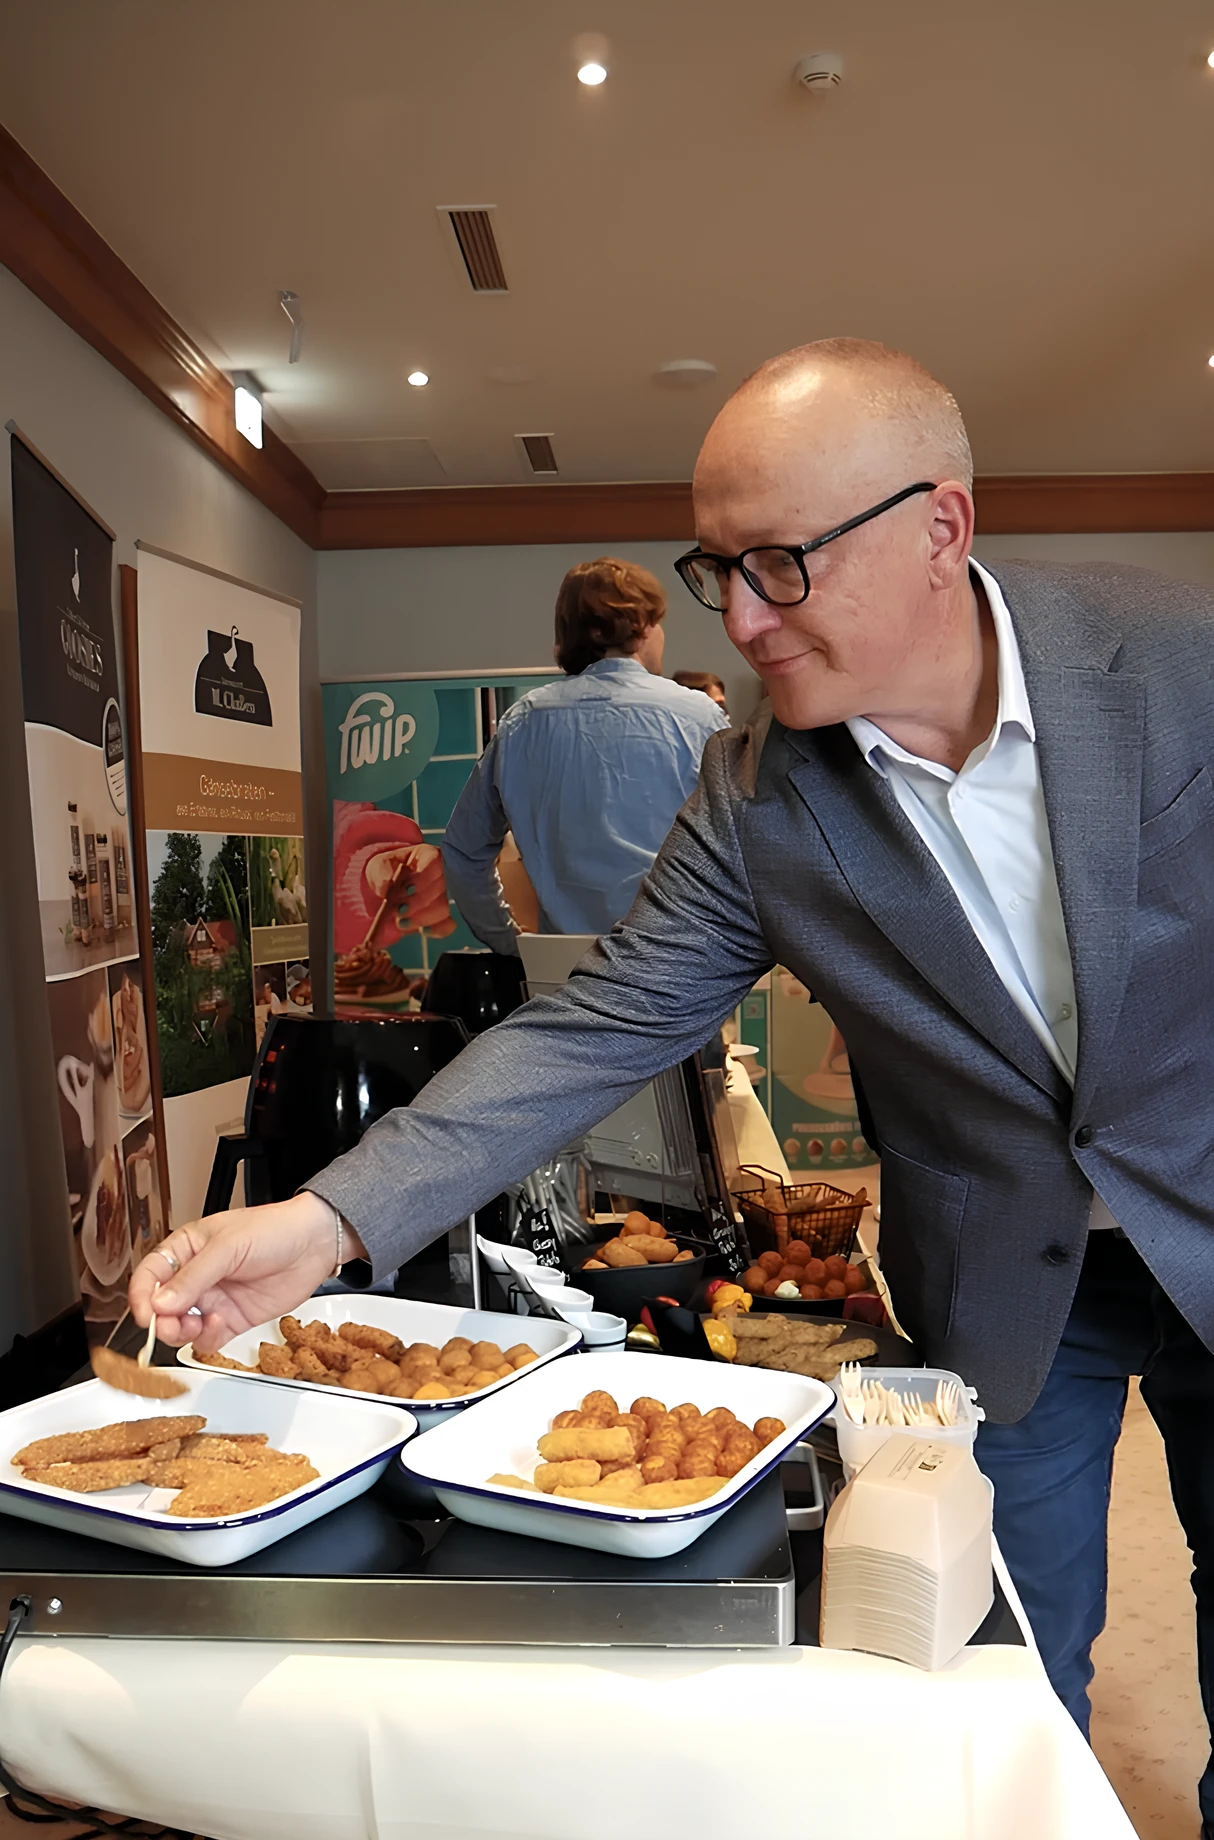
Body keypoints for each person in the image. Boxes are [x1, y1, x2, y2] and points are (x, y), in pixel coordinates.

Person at [132, 339, 1214, 1831]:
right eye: (716, 572)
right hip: (1012, 1287)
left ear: (939, 529)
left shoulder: (1175, 658)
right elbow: (601, 1024)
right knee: (998, 1662)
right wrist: (321, 1224)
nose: (746, 622)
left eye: (782, 565)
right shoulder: (754, 788)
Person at [438, 557, 727, 952]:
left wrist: (507, 941)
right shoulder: (698, 717)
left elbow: (463, 850)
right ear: (640, 627)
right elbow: (748, 850)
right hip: (679, 969)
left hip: (566, 977)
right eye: (657, 622)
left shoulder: (523, 721)